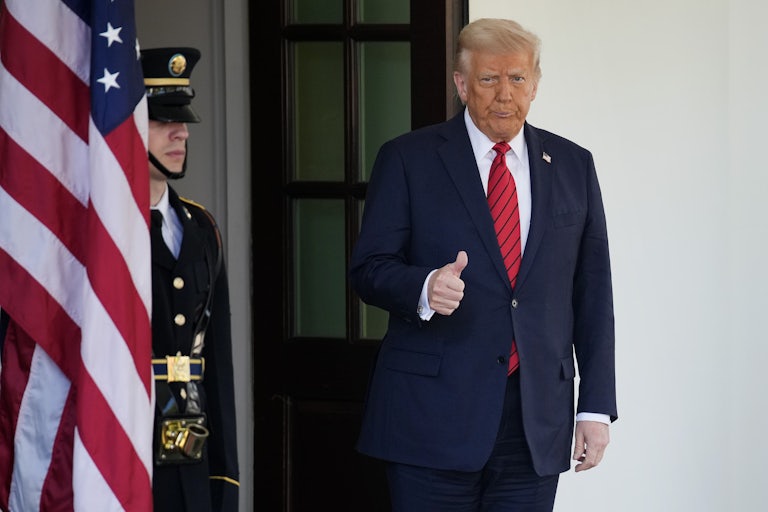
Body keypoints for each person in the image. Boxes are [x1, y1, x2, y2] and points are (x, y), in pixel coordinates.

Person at [349, 18, 617, 511]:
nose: (503, 94)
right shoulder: (408, 159)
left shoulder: (573, 165)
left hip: (535, 421)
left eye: (517, 79)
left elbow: (592, 293)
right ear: (461, 83)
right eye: (489, 79)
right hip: (430, 419)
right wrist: (424, 288)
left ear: (534, 85)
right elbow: (368, 267)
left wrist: (596, 407)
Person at [141, 47, 239, 512]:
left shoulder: (201, 228)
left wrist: (225, 475)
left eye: (182, 121)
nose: (180, 132)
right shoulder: (100, 235)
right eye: (161, 121)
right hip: (123, 442)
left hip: (190, 447)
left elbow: (216, 362)